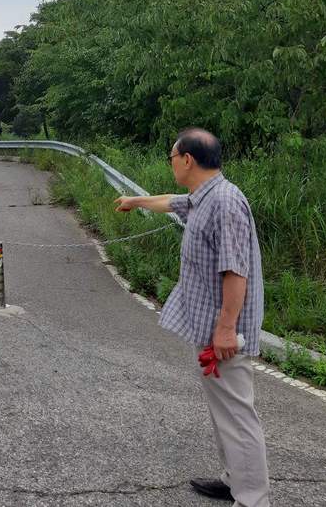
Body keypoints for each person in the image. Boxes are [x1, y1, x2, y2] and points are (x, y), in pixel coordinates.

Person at [113, 128, 270, 507]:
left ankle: (253, 500)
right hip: (211, 329)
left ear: (187, 160)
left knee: (236, 414)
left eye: (171, 157)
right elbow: (171, 202)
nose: (171, 164)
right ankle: (234, 479)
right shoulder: (204, 197)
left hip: (225, 335)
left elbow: (236, 271)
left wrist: (227, 329)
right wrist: (135, 201)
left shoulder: (225, 203)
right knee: (224, 412)